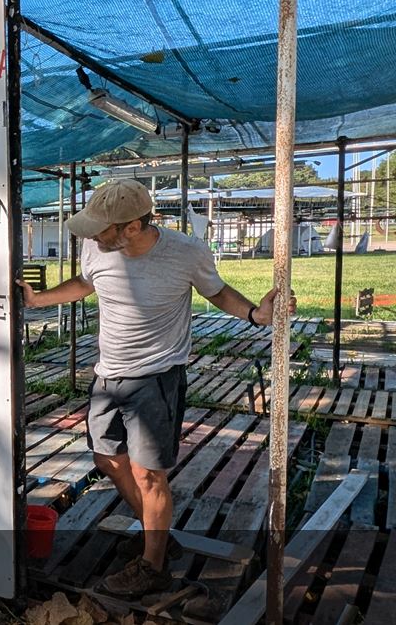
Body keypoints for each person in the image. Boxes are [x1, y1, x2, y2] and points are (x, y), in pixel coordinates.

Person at [17, 179, 295, 598]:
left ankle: (153, 566)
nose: (91, 234)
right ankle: (156, 533)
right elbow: (87, 282)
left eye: (101, 227)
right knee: (107, 458)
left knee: (150, 474)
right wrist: (39, 300)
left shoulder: (185, 252)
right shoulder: (98, 247)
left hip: (157, 376)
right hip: (107, 375)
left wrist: (257, 314)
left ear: (132, 226)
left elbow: (216, 292)